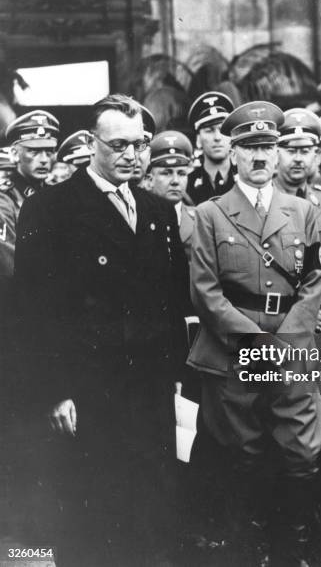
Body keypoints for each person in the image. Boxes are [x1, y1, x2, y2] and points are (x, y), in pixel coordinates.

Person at [14, 94, 190, 566]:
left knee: (151, 513)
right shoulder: (52, 209)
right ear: (92, 144)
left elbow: (171, 301)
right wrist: (53, 391)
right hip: (90, 392)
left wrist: (175, 373)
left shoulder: (156, 211)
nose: (131, 155)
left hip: (149, 388)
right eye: (118, 145)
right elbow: (32, 311)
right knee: (92, 520)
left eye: (140, 144)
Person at [187, 100, 321, 565]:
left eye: (269, 145)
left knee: (300, 449)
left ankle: (291, 550)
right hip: (234, 349)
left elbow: (313, 283)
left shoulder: (303, 210)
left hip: (291, 346)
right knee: (241, 450)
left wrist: (285, 344)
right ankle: (249, 551)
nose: (261, 156)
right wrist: (254, 343)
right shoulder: (209, 214)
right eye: (249, 147)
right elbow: (206, 291)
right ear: (233, 153)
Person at [274, 107, 321, 331]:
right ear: (276, 153)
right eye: (290, 150)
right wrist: (304, 313)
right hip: (278, 322)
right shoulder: (261, 201)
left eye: (305, 151)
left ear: (316, 155)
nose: (298, 159)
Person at [0, 110, 58, 328]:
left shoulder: (56, 197)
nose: (44, 159)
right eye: (34, 151)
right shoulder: (4, 200)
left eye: (49, 151)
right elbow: (9, 266)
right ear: (15, 154)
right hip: (19, 313)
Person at [147, 129, 195, 261]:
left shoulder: (202, 219)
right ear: (150, 179)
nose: (175, 181)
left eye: (181, 173)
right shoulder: (139, 218)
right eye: (166, 173)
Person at [186, 91, 235, 204]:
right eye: (209, 130)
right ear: (198, 139)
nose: (217, 137)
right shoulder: (187, 185)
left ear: (231, 136)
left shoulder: (244, 178)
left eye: (222, 130)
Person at [130, 104, 156, 187]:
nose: (133, 156)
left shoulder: (153, 199)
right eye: (121, 145)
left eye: (140, 146)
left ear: (150, 154)